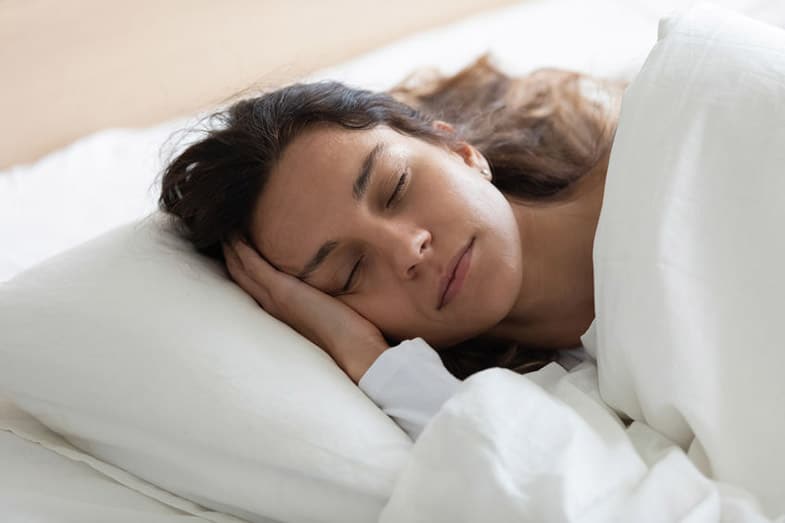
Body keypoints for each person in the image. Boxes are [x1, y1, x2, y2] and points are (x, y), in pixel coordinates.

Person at [158, 55, 625, 440]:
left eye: (396, 188)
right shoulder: (550, 411)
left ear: (458, 149)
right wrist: (366, 357)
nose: (407, 251)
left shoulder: (670, 138)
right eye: (351, 272)